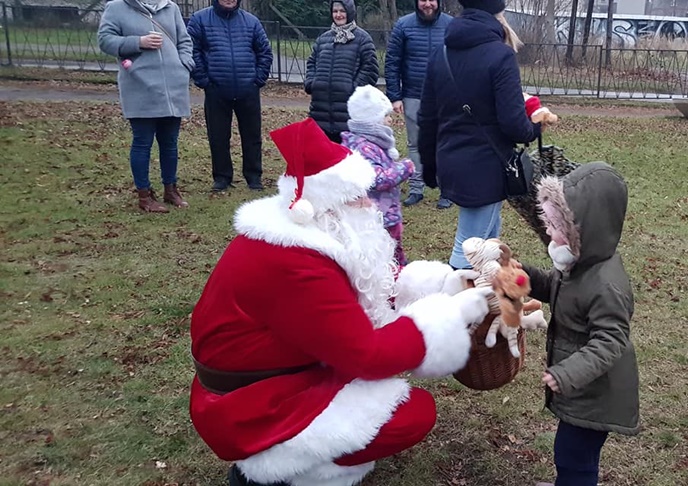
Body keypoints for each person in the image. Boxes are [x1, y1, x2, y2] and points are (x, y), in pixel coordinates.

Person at [188, 117, 493, 486]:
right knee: (413, 414)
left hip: (286, 369)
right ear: (327, 207)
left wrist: (444, 284)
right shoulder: (297, 263)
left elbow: (366, 285)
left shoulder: (310, 239)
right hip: (252, 406)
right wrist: (447, 315)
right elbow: (368, 357)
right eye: (357, 197)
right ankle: (287, 471)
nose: (369, 204)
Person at [517, 163, 640, 486]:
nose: (552, 235)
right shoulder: (577, 263)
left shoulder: (605, 285)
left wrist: (567, 373)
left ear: (587, 228)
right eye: (550, 225)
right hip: (582, 388)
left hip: (597, 394)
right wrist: (524, 276)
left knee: (575, 456)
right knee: (569, 452)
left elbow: (611, 341)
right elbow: (553, 288)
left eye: (559, 228)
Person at [418, 0, 542, 269]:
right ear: (498, 13)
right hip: (486, 167)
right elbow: (513, 123)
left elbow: (427, 117)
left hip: (452, 160)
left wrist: (429, 164)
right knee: (468, 251)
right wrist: (535, 127)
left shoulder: (441, 53)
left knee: (488, 248)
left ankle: (484, 306)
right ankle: (452, 305)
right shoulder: (501, 55)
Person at [98, 0, 193, 212]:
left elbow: (185, 41)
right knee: (142, 141)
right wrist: (138, 41)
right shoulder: (117, 7)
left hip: (173, 87)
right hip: (140, 85)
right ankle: (144, 196)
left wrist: (184, 64)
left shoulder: (170, 7)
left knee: (170, 142)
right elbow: (105, 40)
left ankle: (171, 189)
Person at [187, 0, 273, 192]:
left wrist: (258, 79)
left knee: (252, 136)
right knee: (218, 136)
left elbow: (265, 52)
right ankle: (222, 177)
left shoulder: (251, 21)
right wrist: (204, 80)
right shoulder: (199, 19)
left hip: (247, 89)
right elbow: (193, 51)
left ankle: (253, 176)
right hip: (216, 89)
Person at [384, 0, 453, 209]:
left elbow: (462, 60)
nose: (428, 4)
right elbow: (392, 62)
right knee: (415, 144)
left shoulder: (451, 25)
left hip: (444, 96)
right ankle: (416, 188)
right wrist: (395, 96)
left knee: (444, 144)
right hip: (413, 95)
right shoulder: (403, 26)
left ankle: (446, 190)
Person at [341, 85, 415, 266]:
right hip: (378, 215)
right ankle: (394, 280)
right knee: (387, 256)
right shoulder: (364, 147)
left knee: (394, 253)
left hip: (385, 212)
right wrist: (405, 167)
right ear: (371, 120)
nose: (390, 120)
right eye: (385, 116)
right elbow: (377, 179)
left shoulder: (368, 143)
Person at [304, 0, 379, 143]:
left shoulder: (363, 39)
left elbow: (370, 70)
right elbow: (312, 62)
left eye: (342, 11)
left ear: (350, 12)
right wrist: (311, 83)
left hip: (348, 113)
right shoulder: (323, 39)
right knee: (323, 160)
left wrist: (354, 89)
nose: (338, 15)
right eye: (335, 11)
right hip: (320, 111)